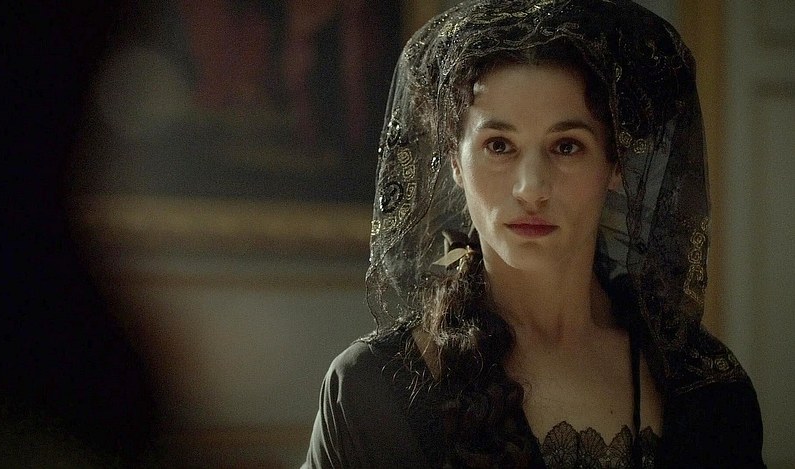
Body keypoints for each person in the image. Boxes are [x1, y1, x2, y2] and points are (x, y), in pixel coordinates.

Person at [303, 0, 765, 467]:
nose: (531, 189)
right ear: (455, 161)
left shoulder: (705, 387)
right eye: (499, 145)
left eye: (567, 146)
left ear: (616, 164)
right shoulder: (374, 391)